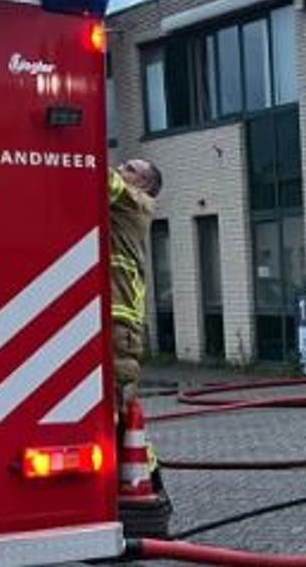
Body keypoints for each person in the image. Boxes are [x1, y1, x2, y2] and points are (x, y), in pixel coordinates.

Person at [107, 157, 166, 497]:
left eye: (129, 167)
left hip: (121, 326)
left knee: (119, 411)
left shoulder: (136, 202)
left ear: (142, 183)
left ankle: (148, 481)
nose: (120, 168)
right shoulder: (124, 206)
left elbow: (96, 176)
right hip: (115, 323)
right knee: (118, 410)